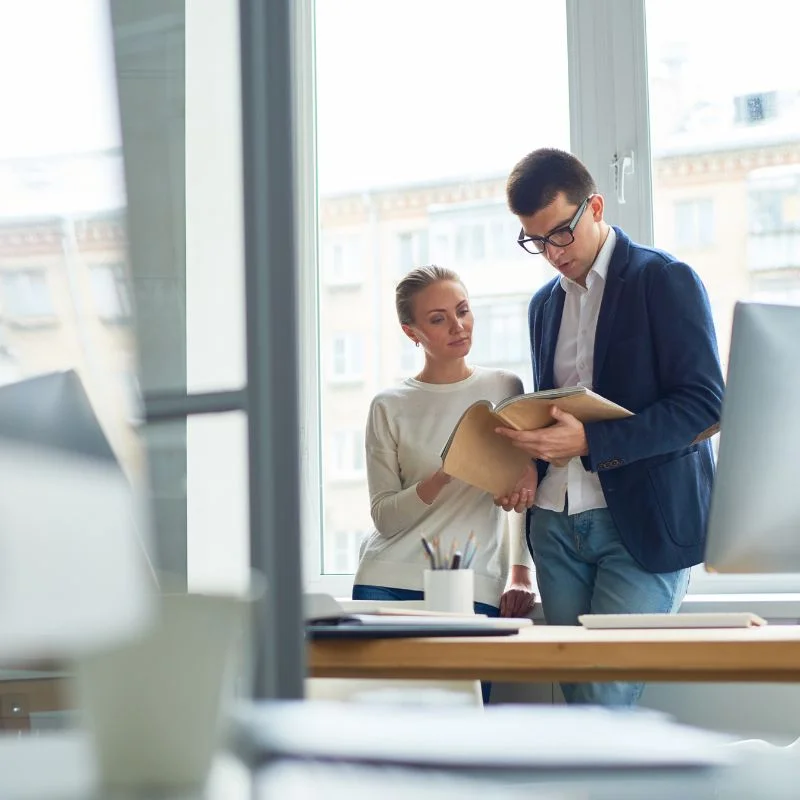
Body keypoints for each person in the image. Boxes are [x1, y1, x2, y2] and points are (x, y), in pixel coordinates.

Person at [495, 148, 725, 706]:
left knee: (605, 699)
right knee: (581, 709)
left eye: (560, 234)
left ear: (594, 206)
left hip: (642, 524)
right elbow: (558, 406)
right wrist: (531, 451)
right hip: (556, 524)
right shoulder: (543, 305)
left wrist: (592, 442)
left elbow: (704, 406)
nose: (551, 254)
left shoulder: (663, 280)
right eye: (535, 241)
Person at [353, 265, 536, 633]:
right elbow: (385, 518)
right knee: (386, 694)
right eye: (438, 319)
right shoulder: (388, 405)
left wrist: (521, 571)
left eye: (463, 311)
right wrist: (444, 475)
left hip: (473, 584)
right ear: (411, 332)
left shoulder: (504, 387)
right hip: (388, 582)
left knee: (469, 693)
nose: (458, 326)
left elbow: (523, 494)